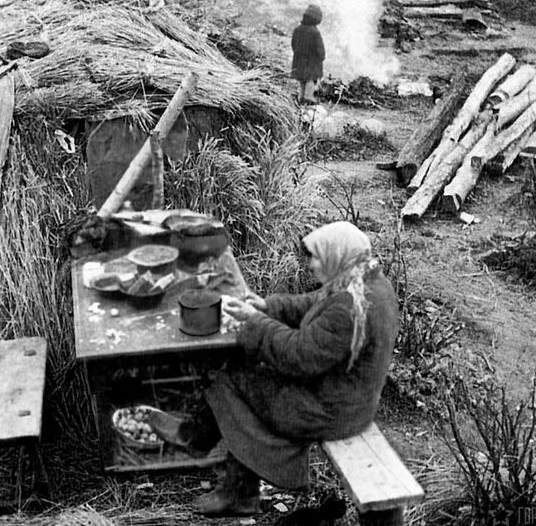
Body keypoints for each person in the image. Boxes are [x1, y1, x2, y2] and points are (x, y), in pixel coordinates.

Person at [149, 221, 399, 517]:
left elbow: (299, 357)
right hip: (345, 397)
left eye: (317, 257)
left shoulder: (349, 306)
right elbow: (314, 304)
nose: (310, 264)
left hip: (329, 411)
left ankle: (235, 488)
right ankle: (198, 441)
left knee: (226, 379)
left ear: (338, 255)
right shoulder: (366, 282)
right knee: (244, 370)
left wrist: (254, 322)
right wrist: (268, 307)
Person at [291, 4, 326, 105]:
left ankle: (301, 96)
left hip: (299, 59)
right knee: (310, 79)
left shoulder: (297, 29)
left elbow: (293, 43)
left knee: (301, 79)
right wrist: (321, 56)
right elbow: (319, 47)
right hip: (312, 62)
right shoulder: (315, 32)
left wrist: (297, 53)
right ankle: (308, 96)